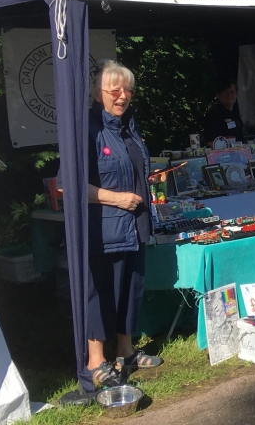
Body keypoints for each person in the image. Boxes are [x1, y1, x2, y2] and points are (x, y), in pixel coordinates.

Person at [80, 60, 163, 387]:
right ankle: (95, 360)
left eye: (127, 90)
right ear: (97, 92)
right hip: (106, 228)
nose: (122, 96)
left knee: (131, 289)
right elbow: (68, 185)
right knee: (102, 293)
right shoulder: (86, 130)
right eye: (115, 90)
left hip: (136, 224)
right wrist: (117, 199)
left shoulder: (129, 126)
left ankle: (126, 352)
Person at [203, 80, 244, 145]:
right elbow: (210, 141)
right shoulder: (213, 115)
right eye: (225, 92)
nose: (229, 95)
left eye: (232, 92)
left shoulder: (235, 114)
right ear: (218, 95)